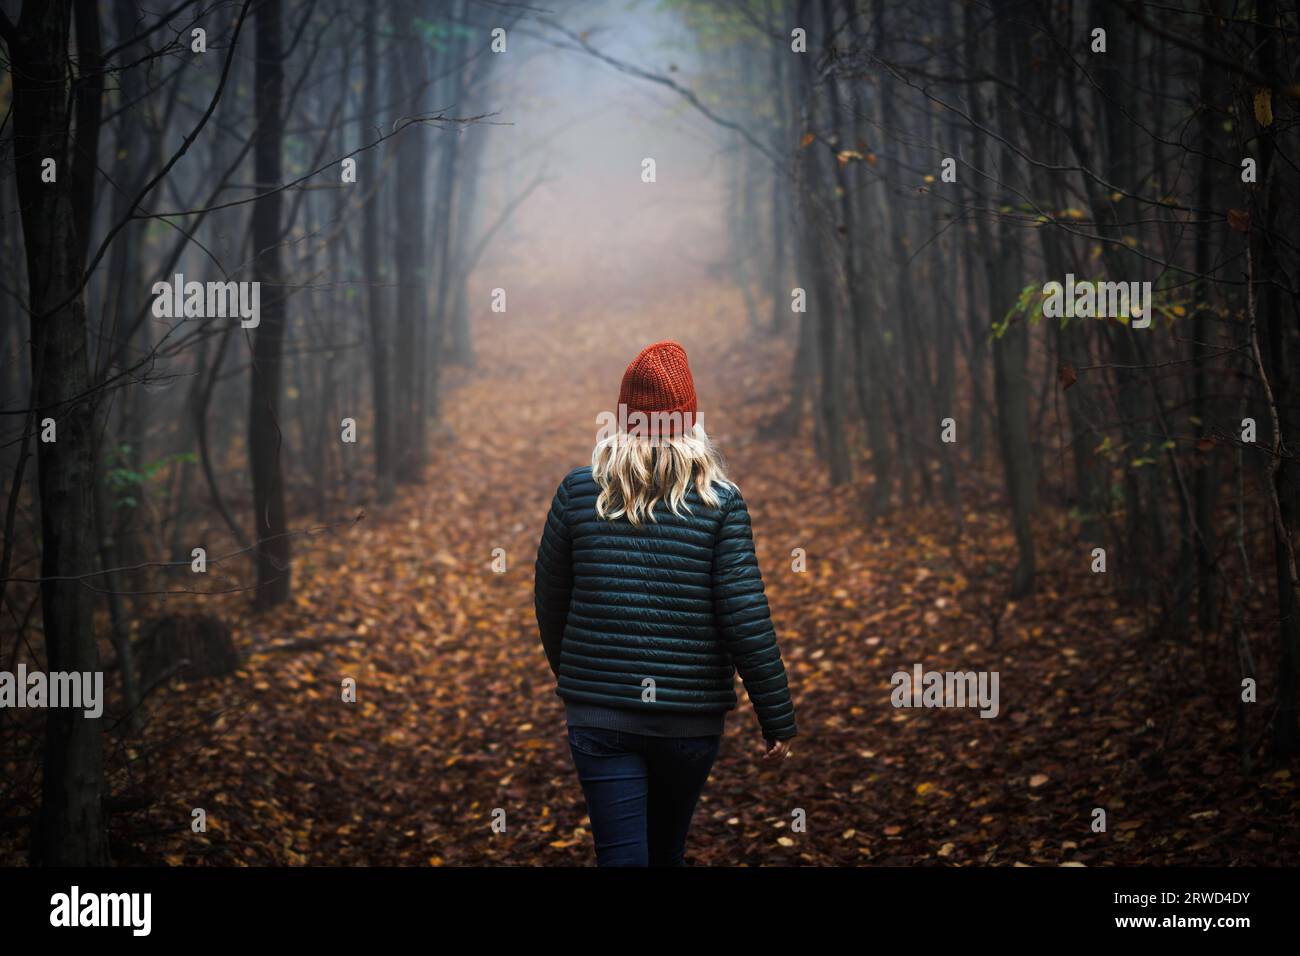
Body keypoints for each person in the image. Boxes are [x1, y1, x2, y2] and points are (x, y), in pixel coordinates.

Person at [533, 339, 798, 866]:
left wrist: (586, 684)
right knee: (665, 852)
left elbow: (549, 600)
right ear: (691, 422)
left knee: (622, 856)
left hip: (599, 721)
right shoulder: (720, 503)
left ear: (623, 419)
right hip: (688, 722)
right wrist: (777, 718)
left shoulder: (579, 491)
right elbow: (744, 617)